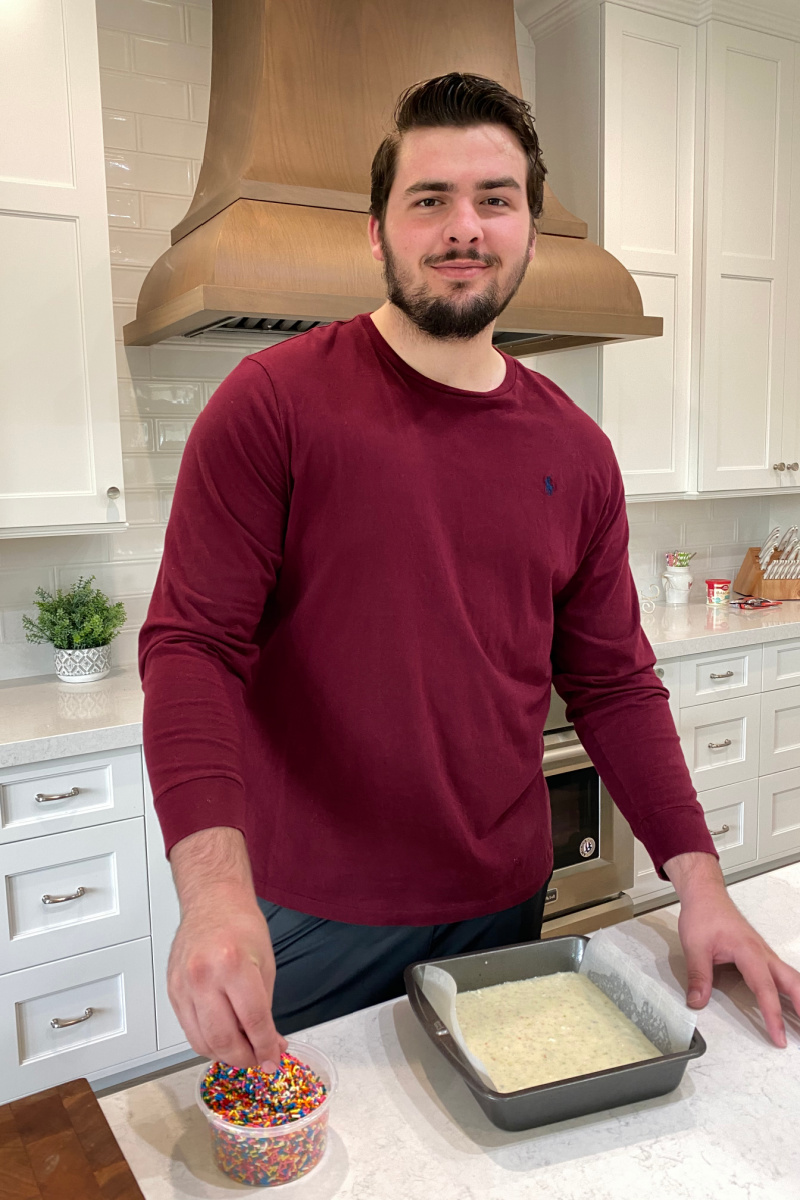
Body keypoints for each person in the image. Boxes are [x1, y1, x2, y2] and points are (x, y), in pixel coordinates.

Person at [139, 73, 800, 1072]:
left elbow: (614, 684)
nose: (464, 227)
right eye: (427, 199)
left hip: (502, 903)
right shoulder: (271, 403)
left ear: (529, 228)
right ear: (376, 231)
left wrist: (701, 889)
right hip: (311, 921)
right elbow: (191, 650)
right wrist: (214, 893)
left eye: (494, 199)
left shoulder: (575, 451)